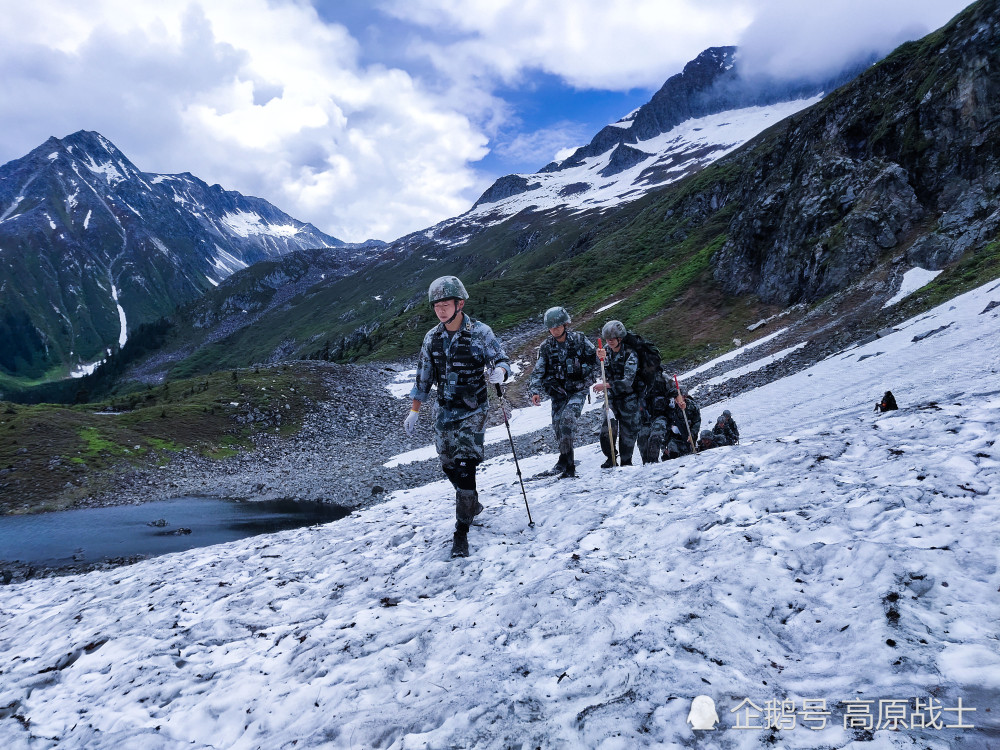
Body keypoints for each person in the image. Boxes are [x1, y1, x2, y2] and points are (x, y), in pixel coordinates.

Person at [404, 275, 511, 558]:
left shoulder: (481, 332)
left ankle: (461, 531)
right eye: (436, 305)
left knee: (465, 466)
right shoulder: (432, 338)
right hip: (443, 411)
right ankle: (471, 503)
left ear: (459, 304)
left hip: (473, 409)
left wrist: (500, 372)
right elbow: (424, 377)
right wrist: (415, 410)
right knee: (448, 464)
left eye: (445, 304)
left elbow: (501, 359)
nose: (440, 310)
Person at [528, 306, 597, 478]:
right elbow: (539, 370)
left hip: (578, 390)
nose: (554, 330)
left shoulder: (579, 339)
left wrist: (604, 359)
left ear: (565, 324)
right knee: (558, 426)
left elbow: (596, 358)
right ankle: (563, 459)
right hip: (558, 393)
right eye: (551, 327)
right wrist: (535, 390)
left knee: (567, 420)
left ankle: (570, 467)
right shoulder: (546, 347)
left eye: (557, 326)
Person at [593, 320, 642, 467]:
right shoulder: (606, 351)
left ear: (620, 338)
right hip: (612, 399)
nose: (610, 341)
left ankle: (626, 462)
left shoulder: (630, 355)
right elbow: (602, 367)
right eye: (607, 339)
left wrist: (606, 385)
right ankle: (610, 457)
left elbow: (627, 381)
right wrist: (599, 358)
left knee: (627, 435)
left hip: (629, 399)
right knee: (607, 429)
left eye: (612, 339)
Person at [637, 372, 672, 464]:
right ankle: (646, 464)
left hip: (660, 415)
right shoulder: (637, 378)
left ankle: (653, 463)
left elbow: (676, 389)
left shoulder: (663, 377)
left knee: (655, 438)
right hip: (644, 418)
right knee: (642, 441)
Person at [663, 384, 701, 460]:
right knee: (672, 449)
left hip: (688, 436)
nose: (677, 399)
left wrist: (692, 435)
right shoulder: (670, 407)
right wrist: (664, 447)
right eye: (676, 397)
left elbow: (697, 422)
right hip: (674, 438)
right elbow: (665, 427)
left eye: (680, 396)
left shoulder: (692, 406)